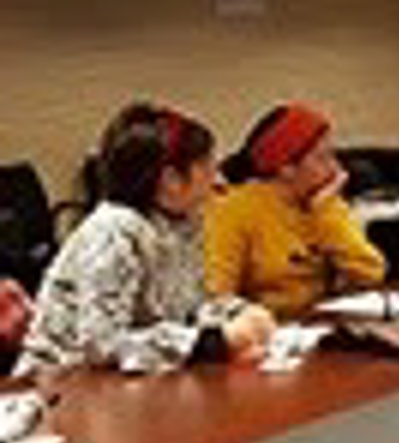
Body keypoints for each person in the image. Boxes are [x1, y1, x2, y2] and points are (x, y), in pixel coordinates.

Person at [14, 103, 274, 375]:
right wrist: (213, 342)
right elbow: (101, 345)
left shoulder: (183, 224)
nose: (218, 180)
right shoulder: (113, 231)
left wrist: (239, 314)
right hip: (59, 383)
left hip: (133, 383)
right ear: (171, 179)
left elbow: (190, 307)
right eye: (207, 167)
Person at [203, 103, 386, 318]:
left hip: (318, 326)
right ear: (286, 168)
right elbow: (217, 297)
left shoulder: (324, 202)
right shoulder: (235, 210)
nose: (336, 169)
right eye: (322, 158)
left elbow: (372, 272)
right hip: (264, 329)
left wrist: (325, 211)